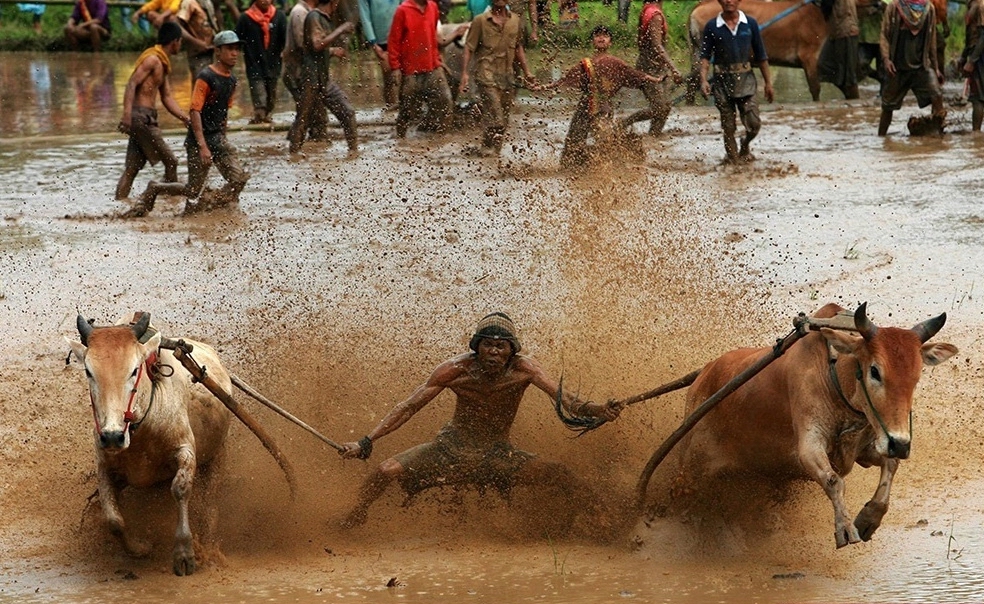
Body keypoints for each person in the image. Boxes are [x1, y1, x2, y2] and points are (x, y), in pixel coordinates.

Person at [338, 312, 623, 529]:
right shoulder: (454, 370)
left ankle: (604, 522)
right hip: (449, 449)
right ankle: (356, 514)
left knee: (560, 473)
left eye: (502, 346)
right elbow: (409, 407)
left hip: (497, 453)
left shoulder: (525, 370)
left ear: (512, 349)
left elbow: (568, 401)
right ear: (477, 347)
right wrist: (365, 441)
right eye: (488, 345)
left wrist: (600, 411)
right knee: (386, 470)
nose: (495, 352)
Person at [132, 31, 250, 217]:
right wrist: (203, 146)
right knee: (193, 190)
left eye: (237, 49)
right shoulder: (206, 76)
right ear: (218, 52)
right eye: (229, 49)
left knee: (238, 179)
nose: (234, 53)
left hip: (218, 139)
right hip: (199, 141)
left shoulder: (232, 80)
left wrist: (223, 138)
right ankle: (155, 188)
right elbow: (195, 111)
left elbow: (224, 113)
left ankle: (214, 207)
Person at [543, 25, 662, 169]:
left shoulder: (616, 63)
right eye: (598, 35)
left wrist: (655, 79)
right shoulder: (586, 63)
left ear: (610, 42)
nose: (601, 38)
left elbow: (635, 74)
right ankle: (571, 167)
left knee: (606, 141)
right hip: (584, 106)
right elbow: (564, 80)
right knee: (573, 140)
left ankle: (614, 165)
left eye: (605, 36)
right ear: (593, 41)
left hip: (603, 108)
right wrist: (541, 87)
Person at [115, 22, 190, 203]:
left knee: (132, 168)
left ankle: (119, 205)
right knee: (171, 161)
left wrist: (186, 118)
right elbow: (132, 83)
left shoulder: (162, 64)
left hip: (143, 118)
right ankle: (169, 204)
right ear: (175, 41)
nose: (180, 45)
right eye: (180, 41)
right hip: (142, 118)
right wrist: (126, 114)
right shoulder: (153, 60)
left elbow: (167, 97)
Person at [698, 0, 774, 164]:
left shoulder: (750, 24)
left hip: (746, 79)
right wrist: (703, 80)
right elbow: (704, 57)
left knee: (754, 124)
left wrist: (768, 83)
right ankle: (734, 166)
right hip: (722, 82)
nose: (728, 1)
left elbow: (761, 56)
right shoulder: (712, 26)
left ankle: (745, 145)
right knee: (728, 127)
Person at [458, 0, 535, 156]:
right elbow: (469, 46)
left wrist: (527, 72)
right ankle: (488, 150)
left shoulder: (515, 20)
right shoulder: (480, 20)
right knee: (496, 116)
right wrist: (465, 73)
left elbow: (518, 46)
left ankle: (490, 150)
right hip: (486, 73)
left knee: (504, 118)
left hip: (507, 75)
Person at [287, 0, 358, 154]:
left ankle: (354, 152)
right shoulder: (313, 16)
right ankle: (293, 156)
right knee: (303, 120)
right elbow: (317, 44)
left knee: (348, 112)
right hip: (310, 80)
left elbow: (320, 49)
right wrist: (341, 29)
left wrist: (333, 51)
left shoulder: (323, 18)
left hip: (323, 80)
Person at [877, 0, 944, 135]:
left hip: (921, 66)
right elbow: (884, 35)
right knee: (887, 106)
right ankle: (881, 138)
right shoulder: (894, 7)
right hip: (898, 67)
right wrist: (886, 59)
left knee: (936, 95)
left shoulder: (928, 9)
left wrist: (935, 68)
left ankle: (938, 134)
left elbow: (932, 40)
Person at [387, 0, 454, 137]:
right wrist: (395, 67)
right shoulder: (403, 10)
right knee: (407, 109)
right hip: (410, 70)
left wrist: (438, 60)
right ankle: (400, 138)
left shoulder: (433, 7)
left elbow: (433, 36)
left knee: (445, 101)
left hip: (432, 66)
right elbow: (394, 41)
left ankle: (441, 138)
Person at [621, 0, 684, 136]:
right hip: (650, 69)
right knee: (660, 107)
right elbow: (657, 45)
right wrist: (673, 68)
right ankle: (624, 123)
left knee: (665, 106)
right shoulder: (654, 15)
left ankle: (654, 137)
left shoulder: (649, 10)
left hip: (657, 67)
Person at [236, 0, 287, 123]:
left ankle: (264, 121)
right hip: (254, 65)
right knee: (260, 100)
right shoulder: (245, 18)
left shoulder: (279, 16)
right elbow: (237, 41)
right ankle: (259, 117)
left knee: (271, 99)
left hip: (273, 64)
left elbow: (285, 40)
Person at [358, 0, 402, 107]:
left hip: (401, 37)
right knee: (388, 76)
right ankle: (390, 107)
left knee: (406, 75)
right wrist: (373, 43)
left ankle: (406, 109)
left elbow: (406, 6)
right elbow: (365, 17)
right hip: (381, 41)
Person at [819, 0, 861, 99]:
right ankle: (848, 93)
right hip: (836, 32)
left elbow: (826, 5)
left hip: (845, 32)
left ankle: (855, 102)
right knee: (823, 64)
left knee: (849, 76)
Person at [176, 0, 219, 86]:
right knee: (200, 83)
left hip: (210, 50)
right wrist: (196, 42)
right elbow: (177, 25)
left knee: (209, 84)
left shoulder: (208, 2)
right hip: (197, 52)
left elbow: (213, 23)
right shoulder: (188, 3)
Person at [962, 0, 984, 131]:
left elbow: (983, 36)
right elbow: (971, 34)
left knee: (978, 97)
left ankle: (976, 135)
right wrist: (963, 56)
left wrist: (971, 61)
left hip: (980, 55)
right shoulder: (973, 5)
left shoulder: (981, 5)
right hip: (976, 53)